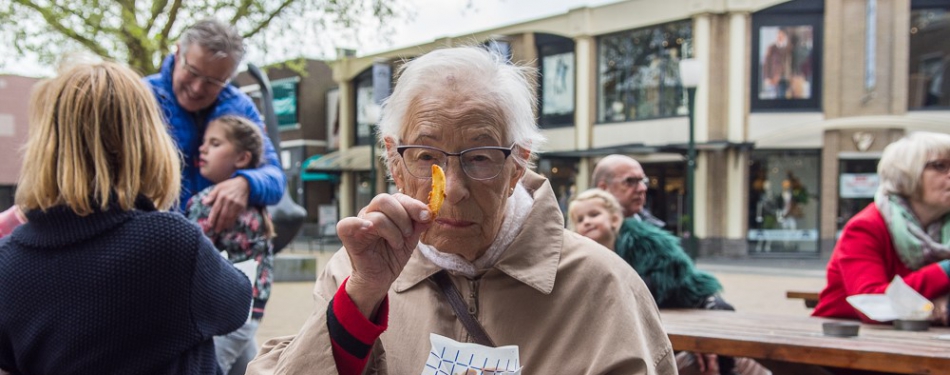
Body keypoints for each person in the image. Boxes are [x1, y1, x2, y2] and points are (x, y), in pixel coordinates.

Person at [247, 46, 676, 374]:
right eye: (425, 156)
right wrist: (361, 296)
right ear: (394, 162)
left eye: (481, 157)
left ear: (518, 165)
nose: (452, 189)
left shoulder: (603, 286)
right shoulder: (354, 273)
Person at [0, 60, 252, 374]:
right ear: (146, 142)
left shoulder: (6, 262)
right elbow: (238, 306)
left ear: (46, 144)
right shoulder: (170, 243)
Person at [144, 18, 285, 233]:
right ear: (178, 52)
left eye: (213, 82)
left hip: (215, 245)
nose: (197, 88)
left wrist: (246, 183)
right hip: (151, 235)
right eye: (192, 72)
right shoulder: (141, 97)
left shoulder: (240, 108)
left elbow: (275, 178)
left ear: (229, 77)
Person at [814, 132, 950, 325]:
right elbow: (873, 304)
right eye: (940, 166)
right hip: (846, 344)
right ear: (906, 174)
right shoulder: (866, 227)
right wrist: (945, 271)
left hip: (915, 340)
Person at [186, 115, 276, 375]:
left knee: (211, 368)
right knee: (246, 368)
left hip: (224, 311)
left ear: (241, 159)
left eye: (214, 144)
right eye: (204, 143)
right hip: (251, 309)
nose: (203, 149)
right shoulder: (256, 203)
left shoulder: (211, 200)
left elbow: (187, 248)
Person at [592, 154, 666, 227]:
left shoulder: (657, 233)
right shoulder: (585, 232)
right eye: (630, 181)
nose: (642, 188)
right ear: (603, 188)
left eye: (643, 181)